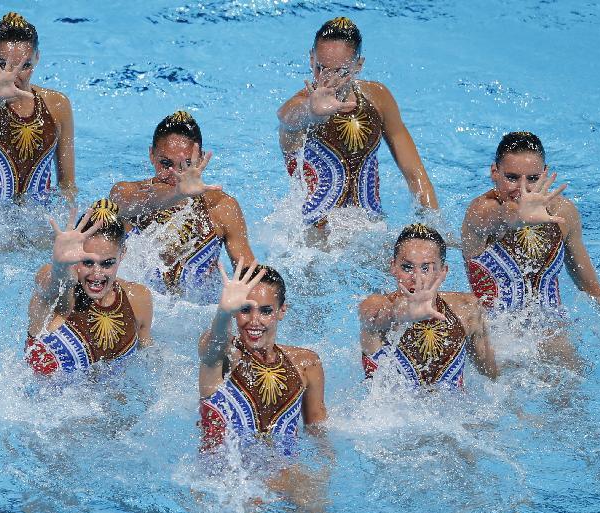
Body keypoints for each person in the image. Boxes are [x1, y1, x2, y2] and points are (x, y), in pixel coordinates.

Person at [277, 16, 438, 227]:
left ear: (358, 66)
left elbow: (414, 173)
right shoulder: (299, 107)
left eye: (340, 72)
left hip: (371, 231)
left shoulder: (379, 98)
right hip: (313, 240)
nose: (328, 81)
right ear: (311, 59)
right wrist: (312, 112)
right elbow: (286, 118)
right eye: (320, 69)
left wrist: (434, 225)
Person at [110, 111, 254, 302]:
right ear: (151, 155)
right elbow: (147, 201)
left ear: (201, 160)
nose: (176, 174)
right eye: (165, 163)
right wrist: (178, 192)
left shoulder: (222, 207)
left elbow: (249, 277)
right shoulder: (125, 193)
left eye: (186, 164)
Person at [462, 131, 600, 313]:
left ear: (544, 174)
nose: (523, 189)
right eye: (512, 178)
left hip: (551, 327)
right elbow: (504, 215)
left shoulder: (563, 214)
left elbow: (591, 288)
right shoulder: (480, 211)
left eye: (533, 178)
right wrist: (520, 217)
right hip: (491, 331)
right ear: (494, 173)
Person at [198, 261, 326, 454]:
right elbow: (213, 346)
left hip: (284, 477)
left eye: (266, 311)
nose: (254, 321)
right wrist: (223, 312)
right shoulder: (226, 356)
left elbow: (318, 433)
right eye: (245, 309)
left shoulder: (306, 364)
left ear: (281, 311)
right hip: (225, 480)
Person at [360, 224, 498, 388]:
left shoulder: (467, 309)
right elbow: (371, 315)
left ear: (443, 272)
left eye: (427, 268)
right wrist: (405, 314)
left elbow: (492, 376)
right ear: (393, 267)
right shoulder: (377, 306)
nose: (416, 277)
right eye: (407, 267)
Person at [0, 12, 76, 206]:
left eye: (24, 66)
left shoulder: (58, 105)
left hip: (39, 225)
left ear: (37, 58)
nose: (12, 76)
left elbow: (67, 186)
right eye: (4, 65)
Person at [25, 199, 152, 374]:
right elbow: (54, 286)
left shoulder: (137, 299)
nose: (97, 274)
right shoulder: (58, 289)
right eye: (87, 262)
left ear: (122, 254)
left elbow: (147, 360)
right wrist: (60, 266)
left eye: (107, 264)